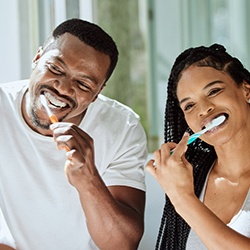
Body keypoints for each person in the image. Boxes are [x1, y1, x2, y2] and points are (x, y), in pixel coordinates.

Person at [0, 18, 148, 250]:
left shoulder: (122, 127)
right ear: (37, 58)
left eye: (83, 84)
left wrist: (88, 180)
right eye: (56, 68)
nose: (63, 88)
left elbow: (122, 245)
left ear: (98, 93)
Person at [146, 44, 250, 249]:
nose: (203, 109)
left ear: (246, 90)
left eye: (213, 91)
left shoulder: (182, 193)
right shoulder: (192, 180)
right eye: (189, 105)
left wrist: (182, 199)